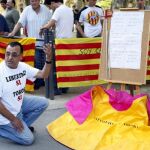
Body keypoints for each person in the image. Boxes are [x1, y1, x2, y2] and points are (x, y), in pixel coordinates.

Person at [0, 41, 52, 145]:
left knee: (43, 103)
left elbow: (43, 74)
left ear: (21, 57)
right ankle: (6, 129)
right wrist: (14, 119)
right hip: (4, 116)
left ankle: (21, 125)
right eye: (7, 54)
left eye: (14, 55)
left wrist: (49, 58)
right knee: (28, 139)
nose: (10, 57)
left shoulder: (23, 66)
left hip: (17, 104)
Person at [8, 0, 52, 90]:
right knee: (36, 63)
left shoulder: (46, 9)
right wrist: (13, 32)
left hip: (45, 42)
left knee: (45, 62)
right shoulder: (27, 10)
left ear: (39, 1)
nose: (33, 3)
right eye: (31, 1)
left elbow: (51, 23)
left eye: (35, 0)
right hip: (33, 44)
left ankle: (46, 83)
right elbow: (20, 23)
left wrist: (46, 28)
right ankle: (38, 83)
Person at [40, 0, 74, 95]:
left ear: (52, 2)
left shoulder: (58, 10)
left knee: (55, 67)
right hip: (68, 42)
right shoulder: (69, 9)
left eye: (50, 6)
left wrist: (42, 28)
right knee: (65, 67)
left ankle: (55, 89)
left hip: (60, 43)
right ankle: (65, 87)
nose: (50, 8)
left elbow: (49, 24)